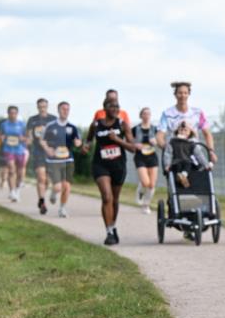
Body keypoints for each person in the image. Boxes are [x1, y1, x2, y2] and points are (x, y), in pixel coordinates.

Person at [82, 99, 137, 245]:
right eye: (112, 106)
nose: (115, 109)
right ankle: (109, 232)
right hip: (101, 165)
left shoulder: (123, 125)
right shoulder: (96, 125)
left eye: (117, 106)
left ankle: (112, 226)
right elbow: (88, 140)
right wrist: (86, 146)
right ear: (104, 108)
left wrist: (117, 139)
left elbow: (132, 147)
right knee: (107, 197)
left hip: (118, 166)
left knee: (115, 200)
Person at [155, 82, 216, 167]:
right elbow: (159, 137)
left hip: (195, 156)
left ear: (188, 94)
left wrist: (211, 151)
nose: (183, 95)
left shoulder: (197, 113)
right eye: (180, 93)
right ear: (175, 94)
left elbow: (207, 134)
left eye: (185, 93)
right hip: (175, 159)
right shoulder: (167, 114)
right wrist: (168, 149)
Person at [39, 101, 82, 218]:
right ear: (58, 110)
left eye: (68, 109)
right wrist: (47, 149)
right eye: (63, 109)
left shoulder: (72, 127)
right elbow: (42, 141)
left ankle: (62, 208)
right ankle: (53, 193)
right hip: (54, 161)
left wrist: (78, 143)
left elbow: (78, 141)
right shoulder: (50, 126)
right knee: (58, 187)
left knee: (67, 186)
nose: (65, 111)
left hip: (68, 160)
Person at [26, 98, 56, 214]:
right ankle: (42, 202)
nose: (42, 109)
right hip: (38, 152)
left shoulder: (53, 119)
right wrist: (29, 140)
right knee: (41, 177)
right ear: (37, 107)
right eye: (40, 107)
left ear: (47, 106)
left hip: (51, 152)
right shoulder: (32, 120)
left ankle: (42, 197)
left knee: (47, 180)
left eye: (44, 106)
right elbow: (28, 135)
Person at [162, 121, 210, 189]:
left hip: (187, 163)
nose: (183, 132)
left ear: (189, 133)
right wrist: (167, 165)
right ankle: (180, 178)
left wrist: (206, 165)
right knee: (177, 165)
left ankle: (183, 176)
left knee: (188, 163)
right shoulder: (172, 142)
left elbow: (199, 155)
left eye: (185, 130)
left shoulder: (191, 144)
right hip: (176, 162)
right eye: (181, 130)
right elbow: (168, 154)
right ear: (177, 131)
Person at [0, 106, 28, 201]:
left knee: (20, 173)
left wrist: (24, 139)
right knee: (11, 169)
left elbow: (28, 137)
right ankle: (12, 191)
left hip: (20, 150)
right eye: (11, 113)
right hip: (8, 149)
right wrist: (1, 137)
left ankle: (17, 190)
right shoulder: (4, 124)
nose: (13, 115)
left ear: (17, 114)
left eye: (15, 113)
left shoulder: (22, 124)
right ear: (8, 114)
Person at [132, 107, 159, 214]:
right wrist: (135, 145)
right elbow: (128, 140)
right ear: (141, 115)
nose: (147, 116)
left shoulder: (155, 129)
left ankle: (146, 205)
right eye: (144, 113)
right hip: (140, 156)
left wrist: (155, 142)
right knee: (145, 182)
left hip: (152, 156)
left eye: (149, 114)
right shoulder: (135, 129)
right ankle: (140, 191)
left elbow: (159, 140)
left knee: (152, 184)